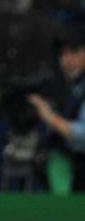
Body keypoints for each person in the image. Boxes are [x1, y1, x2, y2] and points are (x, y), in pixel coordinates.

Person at [28, 26, 85, 191]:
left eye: (73, 51)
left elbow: (82, 135)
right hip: (69, 170)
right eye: (62, 53)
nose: (66, 59)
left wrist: (49, 117)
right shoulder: (66, 86)